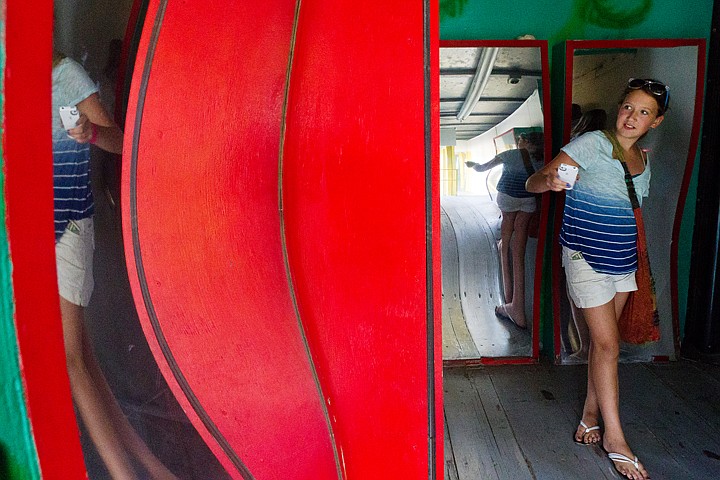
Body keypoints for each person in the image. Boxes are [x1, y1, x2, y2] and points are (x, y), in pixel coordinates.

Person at [526, 78, 669, 480]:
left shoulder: (642, 160)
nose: (632, 117)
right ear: (618, 108)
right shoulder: (589, 143)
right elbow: (532, 182)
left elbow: (630, 213)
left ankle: (590, 415)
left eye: (643, 112)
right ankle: (615, 439)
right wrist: (549, 182)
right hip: (584, 257)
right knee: (607, 345)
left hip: (622, 263)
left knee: (603, 345)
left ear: (655, 122)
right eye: (627, 107)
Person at [53, 50, 177, 479]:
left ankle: (124, 475)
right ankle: (154, 471)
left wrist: (88, 133)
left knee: (71, 362)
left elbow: (122, 142)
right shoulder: (16, 83)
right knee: (85, 363)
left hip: (67, 227)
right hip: (40, 232)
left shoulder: (64, 74)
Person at [465, 131, 544, 329]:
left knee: (506, 234)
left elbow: (483, 168)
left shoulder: (510, 154)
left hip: (507, 198)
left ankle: (503, 249)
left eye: (520, 140)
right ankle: (515, 301)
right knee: (520, 242)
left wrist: (472, 165)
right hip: (528, 199)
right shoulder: (542, 157)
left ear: (524, 141)